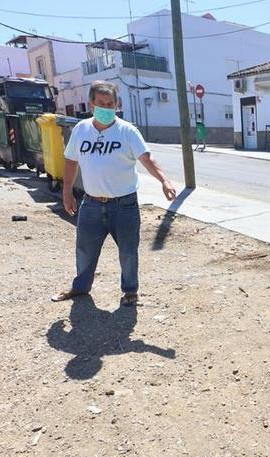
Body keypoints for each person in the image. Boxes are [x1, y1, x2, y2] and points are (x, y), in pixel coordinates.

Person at [52, 80, 177, 306]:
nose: (107, 108)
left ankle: (130, 291)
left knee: (128, 252)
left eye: (111, 104)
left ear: (116, 104)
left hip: (124, 205)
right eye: (102, 103)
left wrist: (164, 181)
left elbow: (147, 159)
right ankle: (80, 288)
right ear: (91, 104)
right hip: (90, 204)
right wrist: (67, 192)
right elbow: (71, 162)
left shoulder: (127, 131)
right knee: (85, 249)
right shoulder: (81, 130)